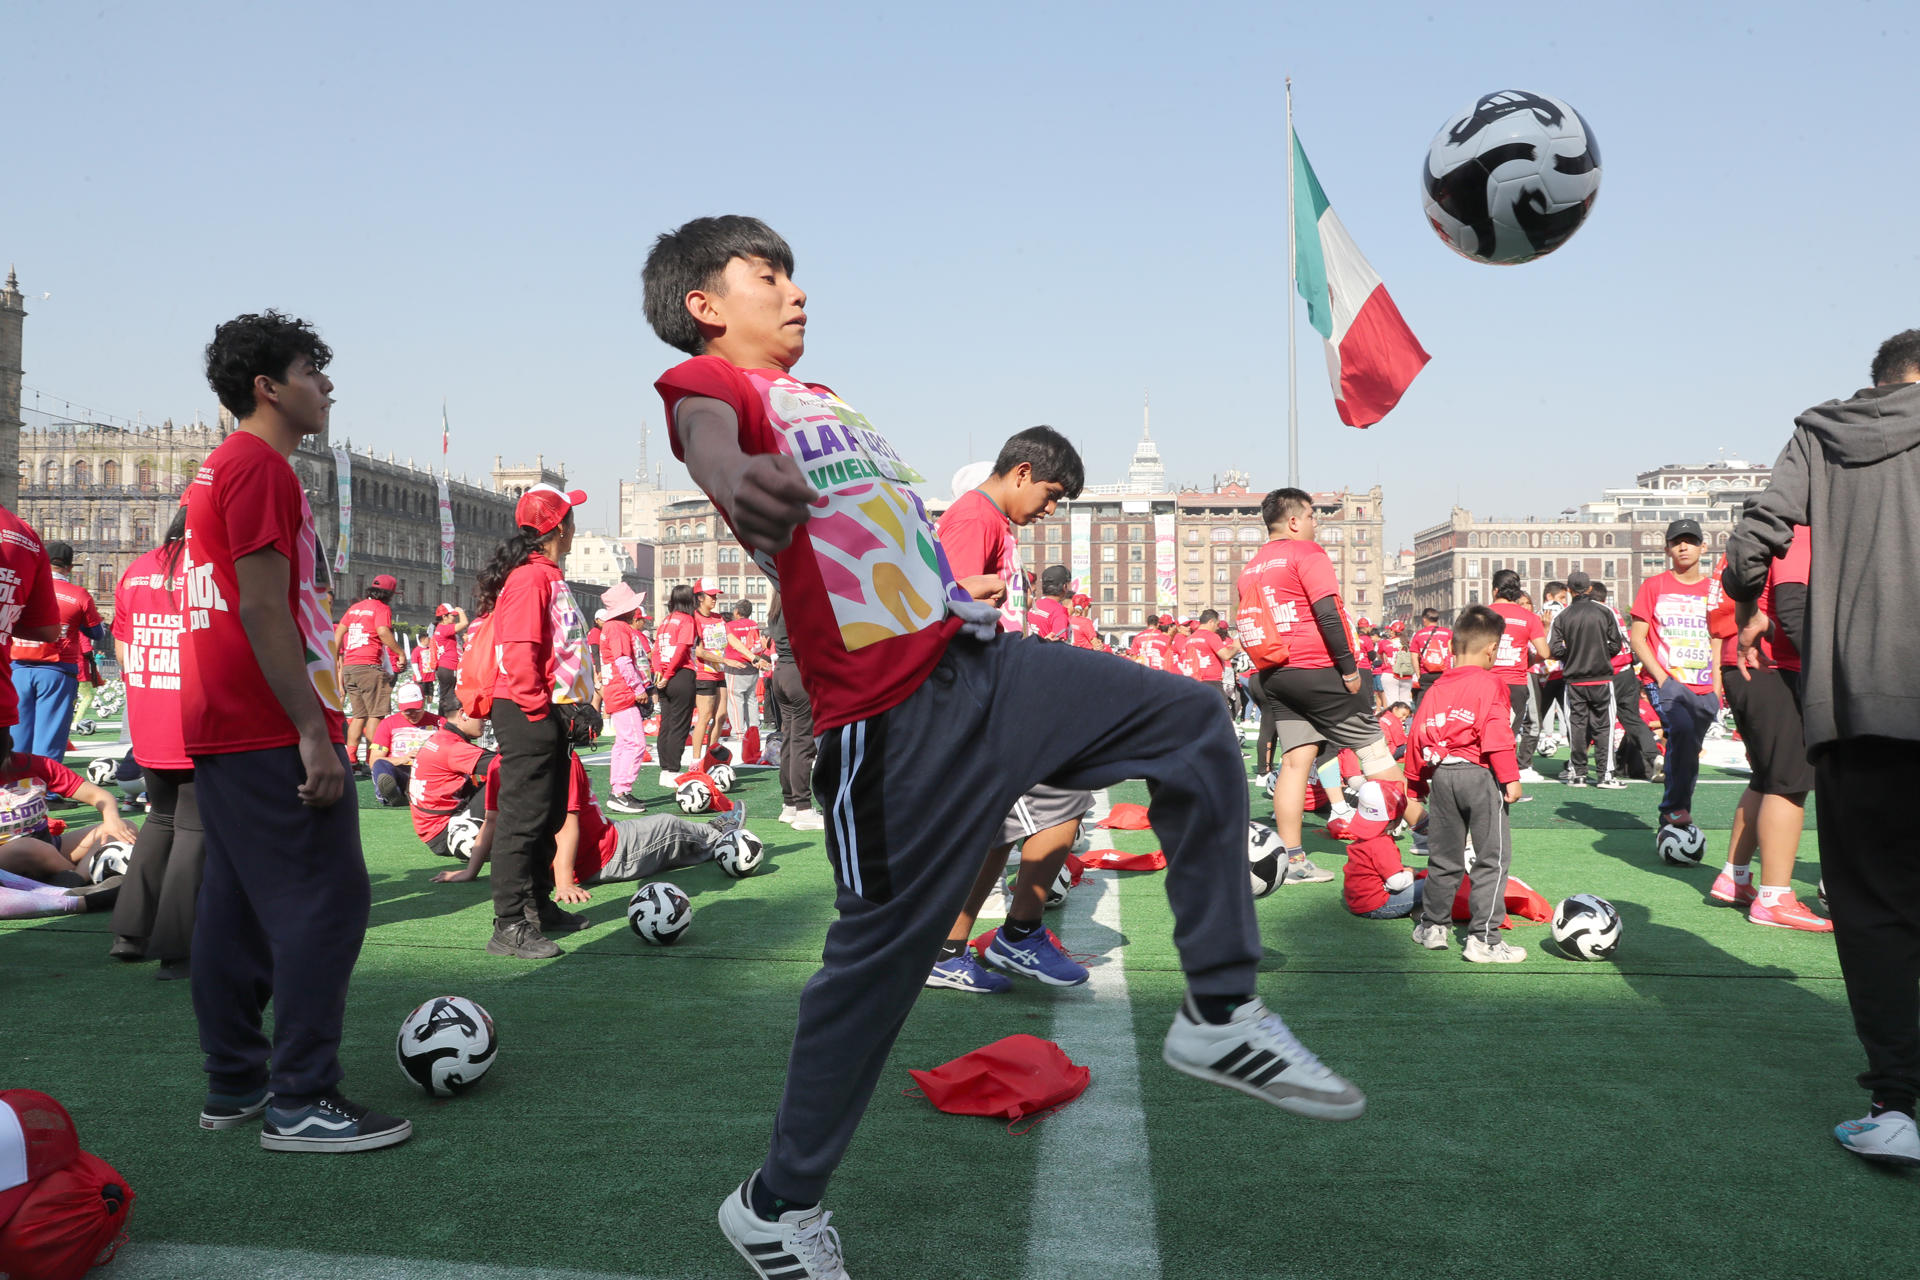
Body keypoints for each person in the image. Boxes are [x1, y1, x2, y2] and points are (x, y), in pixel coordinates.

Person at [646, 215, 1360, 1277]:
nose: (797, 291)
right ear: (706, 305)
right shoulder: (718, 391)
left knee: (1190, 719)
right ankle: (775, 1202)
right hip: (886, 724)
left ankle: (1217, 1005)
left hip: (976, 663)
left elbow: (875, 541)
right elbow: (705, 429)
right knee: (876, 974)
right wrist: (734, 474)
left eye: (796, 271)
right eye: (769, 275)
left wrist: (949, 591)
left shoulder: (826, 397)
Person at [183, 310, 408, 1152]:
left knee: (234, 909)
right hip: (264, 719)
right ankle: (302, 1097)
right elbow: (264, 608)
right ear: (267, 387)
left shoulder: (219, 469)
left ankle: (236, 1083)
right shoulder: (263, 469)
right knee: (329, 899)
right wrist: (312, 732)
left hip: (224, 718)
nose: (329, 385)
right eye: (313, 369)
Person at [1721, 329, 1920, 1163]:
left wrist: (1744, 593)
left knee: (1872, 908)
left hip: (1859, 704)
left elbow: (1752, 541)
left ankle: (1898, 1105)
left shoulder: (1821, 434)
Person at [930, 428, 1093, 993]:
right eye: (1050, 495)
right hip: (980, 696)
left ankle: (949, 948)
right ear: (1021, 472)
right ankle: (1018, 933)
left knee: (997, 830)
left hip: (994, 691)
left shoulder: (993, 520)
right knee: (1068, 793)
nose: (1049, 509)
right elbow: (942, 614)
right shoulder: (974, 518)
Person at [1240, 487, 1415, 886]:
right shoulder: (1307, 553)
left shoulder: (1251, 566)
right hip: (1317, 668)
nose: (1317, 523)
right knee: (1375, 752)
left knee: (1295, 761)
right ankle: (1430, 832)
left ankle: (1293, 858)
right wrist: (1349, 669)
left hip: (1275, 673)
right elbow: (1327, 614)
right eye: (1313, 515)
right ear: (1295, 520)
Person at [475, 482, 599, 960]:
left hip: (545, 708)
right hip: (528, 708)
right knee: (522, 819)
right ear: (559, 528)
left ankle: (537, 906)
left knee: (546, 813)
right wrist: (538, 709)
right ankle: (508, 924)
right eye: (571, 517)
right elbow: (520, 649)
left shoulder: (545, 574)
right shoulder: (531, 577)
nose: (575, 526)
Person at [1711, 524, 1825, 931]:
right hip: (1772, 666)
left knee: (1765, 778)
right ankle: (1775, 896)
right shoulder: (1797, 532)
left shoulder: (1761, 531)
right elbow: (1792, 610)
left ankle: (1735, 876)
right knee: (1789, 782)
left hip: (1743, 666)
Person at [432, 750, 738, 897]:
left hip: (600, 839)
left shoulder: (499, 764)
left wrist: (471, 871)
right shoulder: (564, 758)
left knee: (666, 846)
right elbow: (567, 824)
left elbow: (491, 821)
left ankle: (701, 845)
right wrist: (566, 882)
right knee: (669, 825)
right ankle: (719, 835)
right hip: (606, 853)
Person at [107, 510, 202, 978]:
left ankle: (130, 931)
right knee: (193, 829)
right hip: (197, 719)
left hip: (149, 716)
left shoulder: (136, 569)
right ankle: (177, 947)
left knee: (160, 820)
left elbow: (123, 652)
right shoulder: (209, 574)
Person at [1406, 605, 1525, 962]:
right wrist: (1511, 778)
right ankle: (1484, 940)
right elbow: (1496, 731)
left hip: (1443, 776)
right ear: (1492, 649)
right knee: (1492, 858)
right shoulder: (1492, 682)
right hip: (1480, 775)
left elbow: (1417, 734)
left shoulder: (1438, 684)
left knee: (1443, 856)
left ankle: (1433, 926)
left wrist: (1416, 784)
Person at [1630, 519, 1719, 829]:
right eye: (1677, 542)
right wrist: (1661, 677)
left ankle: (1677, 807)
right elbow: (1637, 638)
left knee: (1689, 749)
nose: (1683, 546)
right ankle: (1674, 808)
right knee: (1679, 733)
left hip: (1704, 684)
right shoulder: (1653, 586)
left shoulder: (1714, 589)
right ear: (1667, 549)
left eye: (1690, 541)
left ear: (1703, 547)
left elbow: (1719, 637)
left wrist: (1718, 687)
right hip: (1665, 681)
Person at [9, 540, 106, 763]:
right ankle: (48, 792)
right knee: (50, 735)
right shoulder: (78, 594)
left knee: (17, 734)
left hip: (17, 668)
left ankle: (15, 788)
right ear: (70, 568)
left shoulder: (23, 587)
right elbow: (97, 633)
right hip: (58, 670)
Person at [0, 751, 138, 882]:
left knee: (126, 828)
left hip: (49, 846)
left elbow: (99, 796)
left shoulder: (35, 763)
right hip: (8, 857)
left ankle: (75, 879)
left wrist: (112, 820)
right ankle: (81, 880)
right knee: (27, 847)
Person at [1548, 571, 1626, 789]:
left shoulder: (1562, 616)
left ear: (1569, 590)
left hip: (1574, 680)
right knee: (1605, 726)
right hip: (1601, 677)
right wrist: (1601, 655)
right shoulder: (1604, 611)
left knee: (1577, 726)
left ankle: (1579, 773)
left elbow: (1553, 648)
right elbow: (1616, 644)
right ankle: (1605, 775)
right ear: (1589, 589)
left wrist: (1571, 656)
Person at [1590, 583, 1661, 782]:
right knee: (1632, 718)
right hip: (1628, 671)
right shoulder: (1614, 611)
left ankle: (1604, 767)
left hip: (1610, 672)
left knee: (1601, 719)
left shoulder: (1596, 612)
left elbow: (1605, 644)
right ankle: (1654, 755)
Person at [764, 592, 822, 830]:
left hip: (782, 673)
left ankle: (789, 804)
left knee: (790, 739)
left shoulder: (777, 604)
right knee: (802, 742)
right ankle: (804, 809)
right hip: (798, 674)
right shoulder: (797, 600)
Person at [406, 710, 495, 858]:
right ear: (462, 714)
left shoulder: (441, 738)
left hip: (435, 829)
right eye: (480, 715)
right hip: (448, 830)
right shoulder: (453, 747)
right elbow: (507, 765)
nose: (485, 720)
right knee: (508, 777)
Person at [1487, 571, 1548, 782]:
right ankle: (1504, 785)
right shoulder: (1529, 617)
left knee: (1482, 732)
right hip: (1515, 683)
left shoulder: (1482, 613)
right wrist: (1527, 661)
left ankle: (1483, 782)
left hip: (1486, 682)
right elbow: (1545, 652)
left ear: (1495, 590)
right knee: (1508, 735)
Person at [597, 583, 652, 814]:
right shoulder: (618, 628)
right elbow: (623, 661)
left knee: (624, 742)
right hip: (623, 691)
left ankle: (618, 789)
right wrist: (638, 688)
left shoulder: (611, 627)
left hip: (616, 690)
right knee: (636, 743)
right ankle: (620, 791)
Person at [1340, 781, 1418, 919]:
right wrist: (1411, 874)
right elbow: (1396, 883)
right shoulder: (1382, 843)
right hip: (1379, 905)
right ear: (1394, 821)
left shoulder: (1363, 839)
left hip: (1357, 904)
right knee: (1431, 883)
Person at [653, 585, 701, 786]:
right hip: (680, 674)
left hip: (663, 675)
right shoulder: (687, 620)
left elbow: (656, 649)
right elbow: (682, 649)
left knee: (666, 723)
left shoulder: (665, 621)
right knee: (679, 724)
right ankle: (672, 769)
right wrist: (670, 673)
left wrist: (659, 673)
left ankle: (665, 769)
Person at [368, 683, 443, 807]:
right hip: (401, 771)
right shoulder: (388, 723)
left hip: (429, 770)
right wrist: (404, 759)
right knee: (380, 765)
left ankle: (411, 793)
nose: (412, 714)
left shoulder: (439, 722)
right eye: (407, 711)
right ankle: (391, 794)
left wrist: (428, 756)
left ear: (423, 702)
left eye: (416, 709)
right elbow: (374, 761)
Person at [687, 580, 730, 763]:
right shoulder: (694, 619)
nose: (714, 599)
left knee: (721, 716)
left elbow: (730, 638)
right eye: (711, 596)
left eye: (715, 595)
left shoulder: (718, 617)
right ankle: (696, 761)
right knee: (704, 717)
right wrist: (724, 660)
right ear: (699, 597)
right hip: (703, 674)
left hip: (719, 672)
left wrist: (752, 657)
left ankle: (710, 757)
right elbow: (699, 651)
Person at [722, 599, 770, 756]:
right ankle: (753, 730)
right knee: (751, 699)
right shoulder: (753, 624)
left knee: (735, 700)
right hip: (753, 664)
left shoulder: (730, 625)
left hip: (736, 665)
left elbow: (729, 643)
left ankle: (738, 733)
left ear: (736, 611)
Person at [430, 604, 469, 715]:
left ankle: (442, 720)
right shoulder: (444, 628)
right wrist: (461, 611)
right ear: (444, 616)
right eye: (453, 616)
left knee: (445, 696)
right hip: (448, 667)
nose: (454, 618)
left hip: (444, 667)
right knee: (449, 697)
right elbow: (464, 623)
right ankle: (446, 721)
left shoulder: (440, 628)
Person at [1408, 609, 1451, 709]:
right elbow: (1453, 653)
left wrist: (1418, 674)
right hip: (1444, 672)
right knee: (1443, 700)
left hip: (1426, 673)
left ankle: (1421, 721)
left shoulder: (1418, 635)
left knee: (1423, 701)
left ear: (1424, 619)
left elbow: (1414, 657)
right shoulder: (1448, 633)